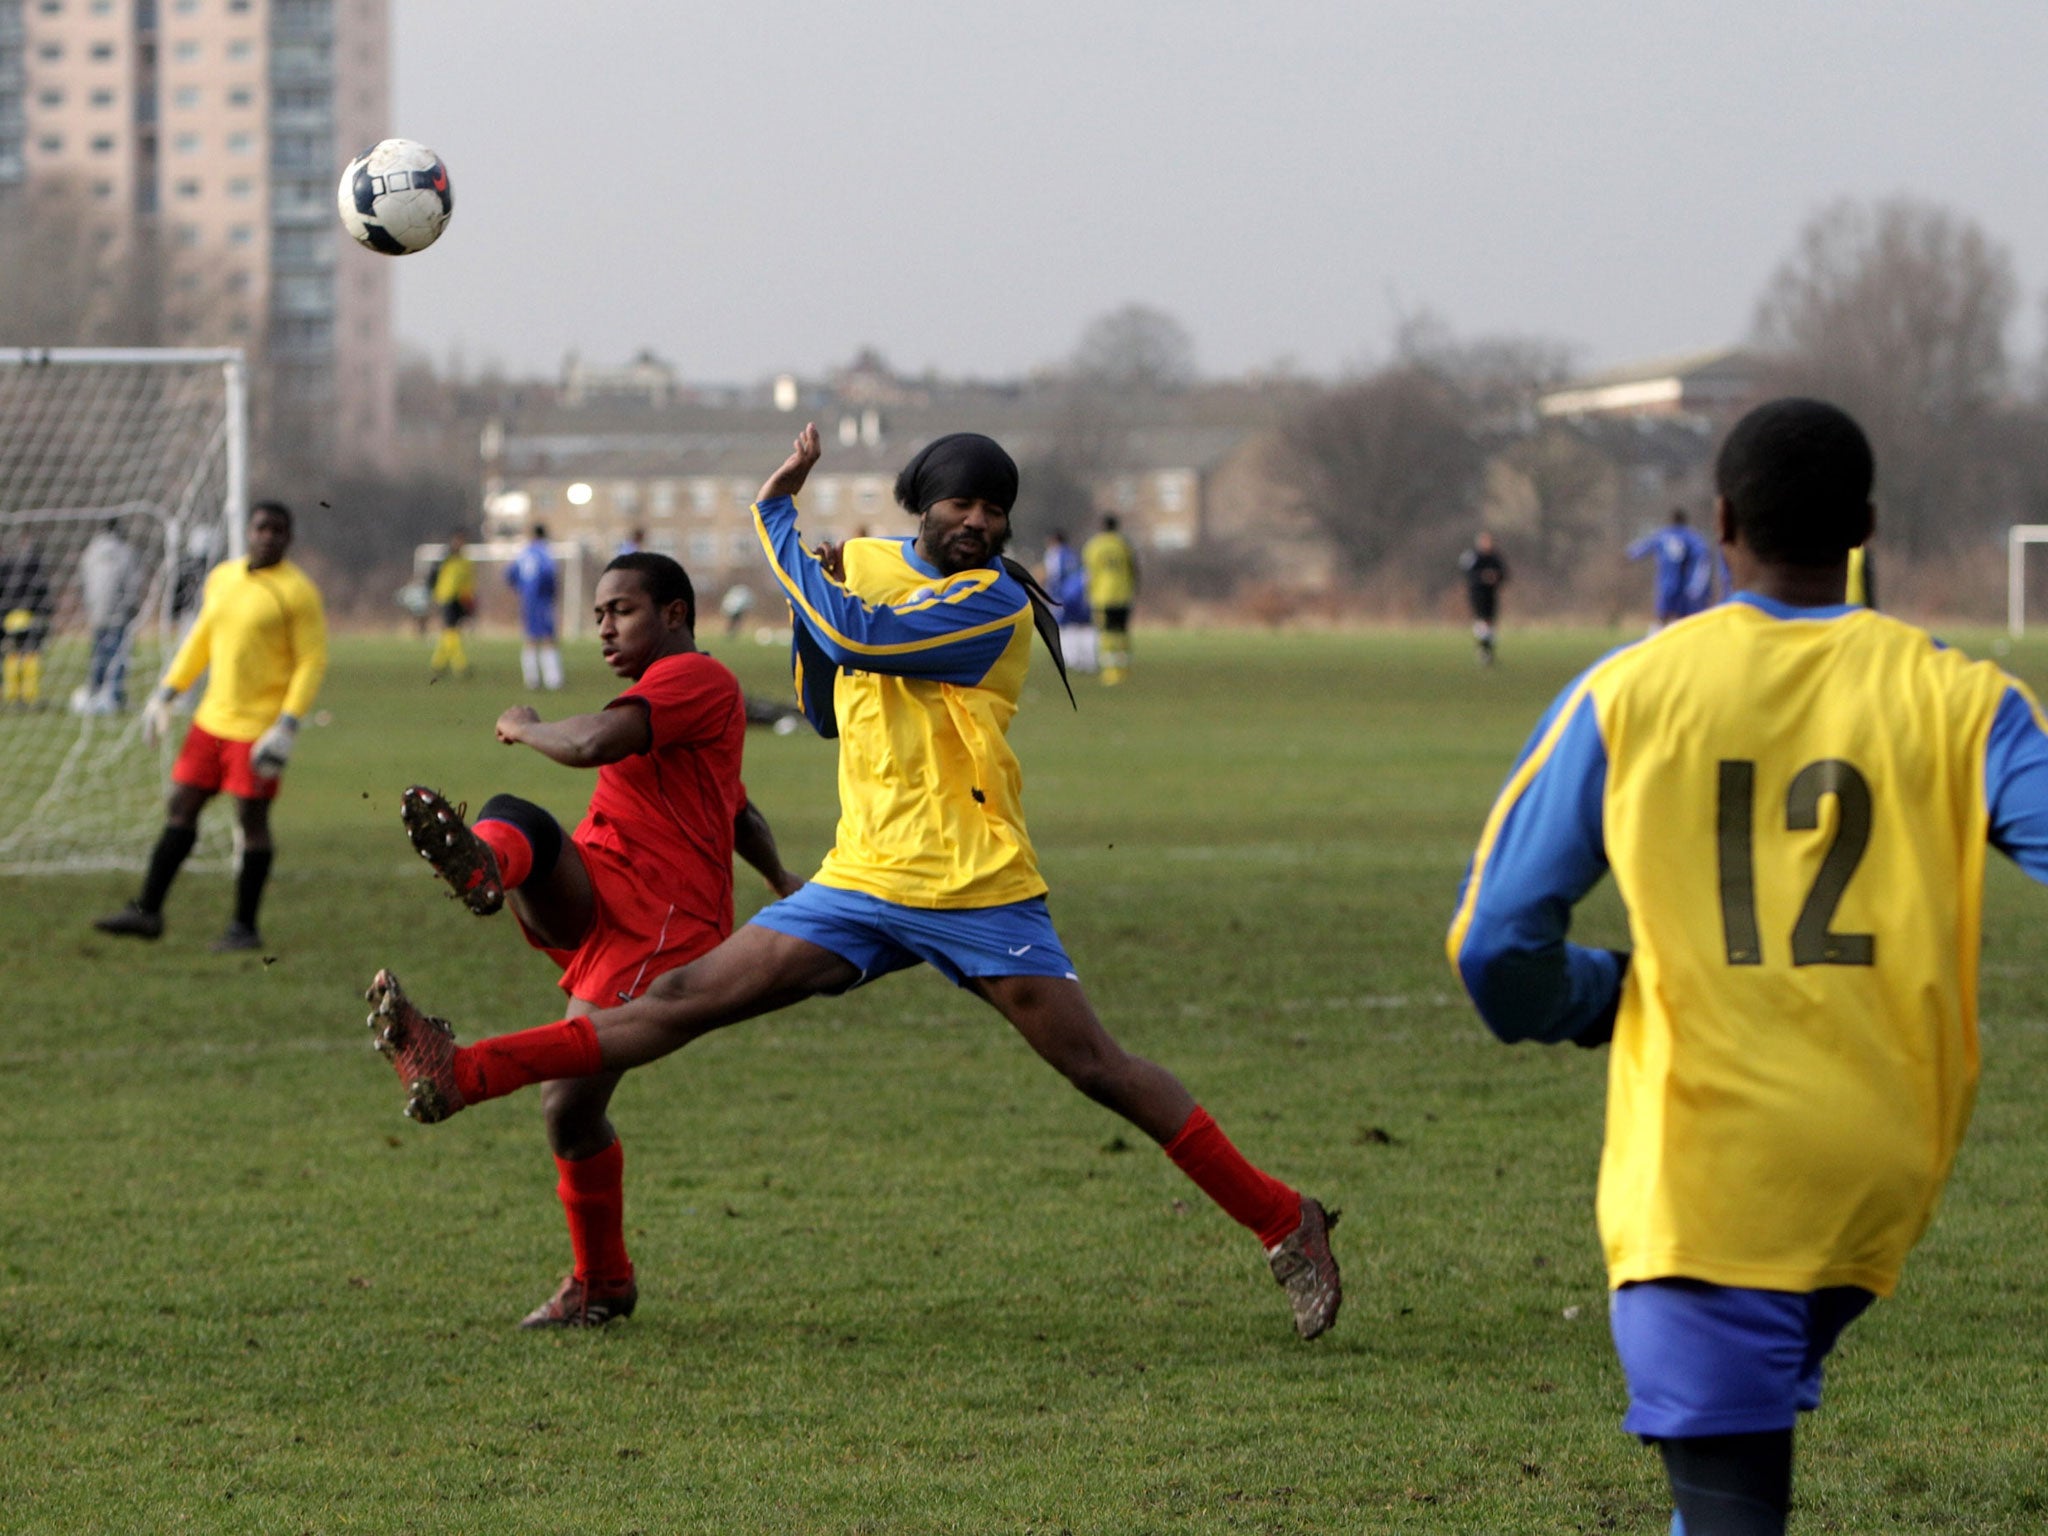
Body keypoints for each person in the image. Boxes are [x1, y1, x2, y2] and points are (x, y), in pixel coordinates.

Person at [365, 425, 1343, 1342]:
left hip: (972, 880)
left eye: (996, 511)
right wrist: (817, 602)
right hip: (864, 874)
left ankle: (1283, 1218)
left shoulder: (997, 601)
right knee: (678, 1000)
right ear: (922, 504)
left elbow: (869, 642)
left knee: (1099, 1071)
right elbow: (827, 700)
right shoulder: (870, 565)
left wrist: (777, 524)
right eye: (963, 504)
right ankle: (461, 1071)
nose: (981, 524)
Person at [1446, 397, 2048, 1535]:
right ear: (1863, 525)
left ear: (1718, 520)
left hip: (1713, 1178)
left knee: (1730, 1512)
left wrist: (1593, 997)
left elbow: (1495, 948)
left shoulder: (1626, 693)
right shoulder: (1967, 701)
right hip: (1878, 1175)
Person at [397, 550, 804, 1326]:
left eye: (621, 611)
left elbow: (590, 746)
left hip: (661, 926)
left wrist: (526, 726)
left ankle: (602, 1282)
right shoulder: (674, 695)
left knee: (569, 1108)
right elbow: (738, 810)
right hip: (601, 885)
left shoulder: (694, 679)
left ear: (675, 614)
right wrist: (782, 881)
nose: (605, 628)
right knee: (518, 818)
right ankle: (487, 866)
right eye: (598, 616)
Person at [94, 501, 327, 952]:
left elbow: (311, 661)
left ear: (289, 538)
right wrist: (167, 692)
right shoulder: (223, 577)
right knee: (181, 806)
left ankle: (244, 927)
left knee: (250, 821)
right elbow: (201, 638)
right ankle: (148, 912)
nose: (269, 537)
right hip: (210, 721)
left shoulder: (297, 592)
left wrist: (288, 724)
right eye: (262, 528)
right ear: (249, 531)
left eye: (279, 530)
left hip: (257, 729)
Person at [71, 519, 142, 713]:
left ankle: (95, 693)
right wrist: (131, 605)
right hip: (119, 613)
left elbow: (83, 581)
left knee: (99, 654)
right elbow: (132, 582)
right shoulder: (125, 553)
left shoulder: (90, 553)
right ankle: (113, 696)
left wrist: (89, 605)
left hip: (96, 613)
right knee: (118, 656)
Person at [1627, 508, 1718, 629]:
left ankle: (1656, 638)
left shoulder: (1663, 535)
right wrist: (1697, 585)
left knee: (1662, 616)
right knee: (1683, 619)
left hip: (1666, 584)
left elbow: (1643, 548)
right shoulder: (1691, 537)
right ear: (1685, 521)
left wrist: (1628, 555)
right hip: (1684, 586)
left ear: (1671, 520)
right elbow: (1703, 556)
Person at [1082, 513, 1138, 685]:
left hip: (1103, 595)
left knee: (1107, 634)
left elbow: (1089, 573)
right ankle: (1124, 669)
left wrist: (1087, 592)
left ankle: (1110, 671)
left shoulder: (1093, 546)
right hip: (1123, 594)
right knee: (1122, 632)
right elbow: (1134, 569)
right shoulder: (1124, 545)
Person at [507, 524, 563, 691]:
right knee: (548, 637)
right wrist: (552, 593)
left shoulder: (524, 552)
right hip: (542, 599)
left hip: (527, 599)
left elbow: (510, 573)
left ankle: (531, 679)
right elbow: (548, 574)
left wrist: (521, 589)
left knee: (530, 638)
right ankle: (553, 680)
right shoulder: (545, 552)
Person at [0, 532, 53, 708]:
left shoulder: (7, 565)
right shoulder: (34, 567)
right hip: (27, 617)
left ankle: (12, 694)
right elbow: (41, 591)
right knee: (30, 655)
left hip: (10, 618)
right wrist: (46, 612)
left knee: (12, 655)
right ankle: (30, 696)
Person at [1042, 529, 1097, 675]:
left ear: (1054, 540)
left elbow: (1054, 575)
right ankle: (1089, 660)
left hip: (1062, 595)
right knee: (1085, 626)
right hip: (1080, 594)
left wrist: (1049, 593)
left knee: (1064, 626)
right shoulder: (1073, 554)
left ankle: (1069, 658)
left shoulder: (1054, 554)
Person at [428, 532, 477, 680]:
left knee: (450, 632)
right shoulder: (444, 559)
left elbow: (469, 582)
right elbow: (432, 577)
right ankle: (460, 665)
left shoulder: (465, 561)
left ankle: (437, 662)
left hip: (460, 599)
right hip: (446, 598)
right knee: (452, 631)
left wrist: (469, 600)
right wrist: (434, 593)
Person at [1458, 530, 1509, 666]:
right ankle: (1483, 650)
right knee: (1482, 622)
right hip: (1477, 594)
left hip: (1491, 594)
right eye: (1485, 541)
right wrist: (1483, 577)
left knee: (1491, 623)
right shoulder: (1473, 557)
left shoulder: (1495, 558)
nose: (1487, 544)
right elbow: (1468, 574)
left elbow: (1505, 574)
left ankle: (1487, 652)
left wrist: (1495, 577)